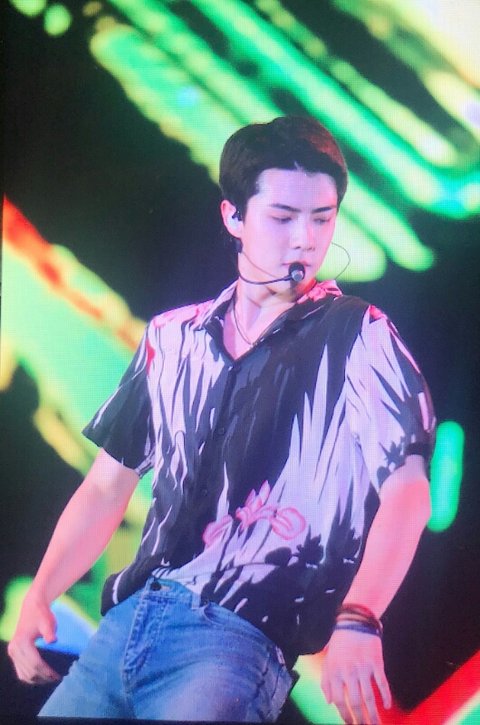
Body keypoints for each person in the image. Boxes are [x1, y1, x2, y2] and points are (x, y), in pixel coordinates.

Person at [8, 116, 435, 724]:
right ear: (233, 216)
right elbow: (106, 485)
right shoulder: (171, 338)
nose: (305, 239)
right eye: (283, 217)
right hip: (126, 622)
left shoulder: (357, 335)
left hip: (236, 639)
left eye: (322, 219)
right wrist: (43, 591)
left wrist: (360, 618)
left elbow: (408, 489)